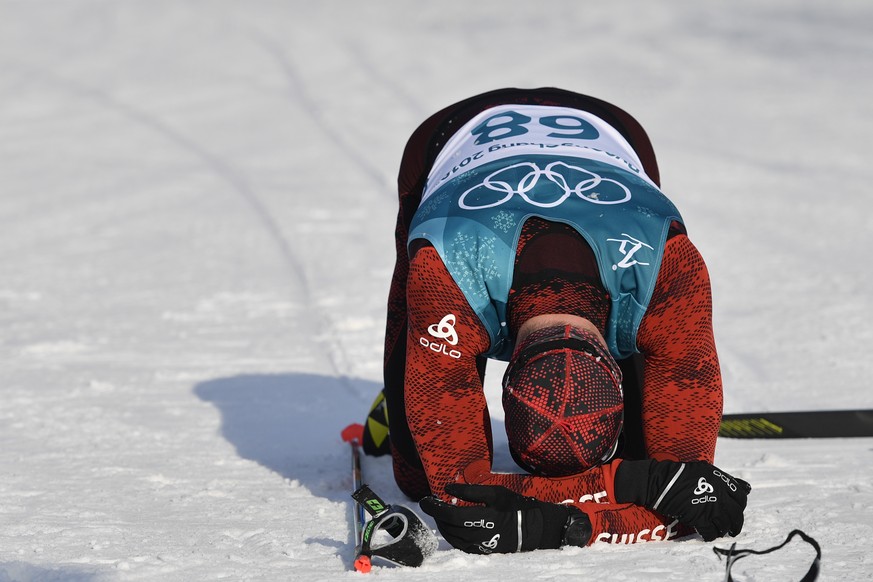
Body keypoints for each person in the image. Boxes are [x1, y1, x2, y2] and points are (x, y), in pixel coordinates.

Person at [361, 87, 750, 554]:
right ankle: (420, 371)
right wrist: (624, 485)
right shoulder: (446, 272)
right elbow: (456, 493)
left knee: (659, 463)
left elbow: (692, 494)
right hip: (447, 140)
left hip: (614, 135)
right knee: (412, 477)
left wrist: (568, 517)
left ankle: (427, 368)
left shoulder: (671, 269)